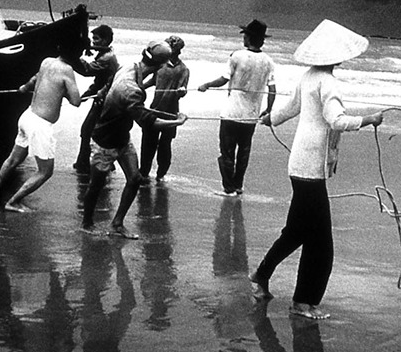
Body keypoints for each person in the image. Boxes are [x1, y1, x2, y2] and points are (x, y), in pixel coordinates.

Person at [252, 19, 383, 321]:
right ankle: (302, 302)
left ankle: (262, 276)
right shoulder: (329, 82)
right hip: (310, 167)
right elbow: (336, 120)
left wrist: (270, 118)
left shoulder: (308, 76)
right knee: (321, 244)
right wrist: (369, 119)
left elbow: (289, 110)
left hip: (299, 163)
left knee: (298, 232)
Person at [81, 41, 187, 239]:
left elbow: (110, 82)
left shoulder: (130, 66)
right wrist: (177, 122)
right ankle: (87, 223)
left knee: (135, 178)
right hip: (105, 141)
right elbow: (149, 123)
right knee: (96, 185)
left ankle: (117, 224)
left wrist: (103, 94)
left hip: (122, 137)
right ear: (161, 66)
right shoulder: (132, 91)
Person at [0, 43, 83, 212]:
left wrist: (25, 87)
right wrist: (65, 93)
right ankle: (13, 201)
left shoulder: (46, 61)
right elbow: (76, 101)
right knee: (45, 171)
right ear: (76, 55)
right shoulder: (67, 70)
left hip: (27, 116)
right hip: (40, 125)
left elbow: (35, 78)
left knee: (12, 160)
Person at [197, 19, 276, 195]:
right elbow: (272, 89)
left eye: (246, 35)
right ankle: (238, 186)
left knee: (227, 151)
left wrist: (206, 85)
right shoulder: (269, 61)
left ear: (249, 38)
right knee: (244, 151)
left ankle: (228, 188)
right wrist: (269, 110)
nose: (244, 38)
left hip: (231, 113)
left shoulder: (237, 56)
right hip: (251, 116)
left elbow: (223, 79)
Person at [139, 35, 190, 184]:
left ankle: (161, 175)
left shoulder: (183, 69)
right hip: (154, 109)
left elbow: (183, 89)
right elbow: (151, 82)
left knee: (165, 146)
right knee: (148, 144)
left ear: (177, 50)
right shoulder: (159, 65)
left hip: (171, 113)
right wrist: (138, 86)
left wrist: (181, 91)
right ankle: (144, 173)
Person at [73, 25, 119, 174]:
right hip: (102, 97)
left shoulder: (106, 57)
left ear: (105, 40)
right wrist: (87, 94)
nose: (94, 42)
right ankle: (89, 163)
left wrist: (71, 55)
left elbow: (87, 70)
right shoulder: (104, 54)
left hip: (106, 100)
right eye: (93, 39)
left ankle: (85, 165)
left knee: (89, 130)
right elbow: (99, 80)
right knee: (93, 131)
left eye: (97, 39)